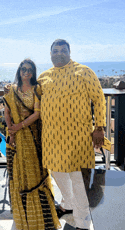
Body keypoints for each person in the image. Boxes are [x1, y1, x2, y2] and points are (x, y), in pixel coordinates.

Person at [37, 39, 106, 230]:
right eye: (55, 50)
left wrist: (99, 127)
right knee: (57, 175)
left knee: (79, 181)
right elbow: (31, 99)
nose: (59, 53)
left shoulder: (84, 72)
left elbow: (99, 98)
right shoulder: (43, 77)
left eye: (63, 50)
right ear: (50, 54)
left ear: (69, 52)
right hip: (52, 140)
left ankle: (83, 222)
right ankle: (67, 204)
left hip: (79, 139)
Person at [3, 58, 61, 230]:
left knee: (35, 172)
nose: (26, 72)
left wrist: (18, 127)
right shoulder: (11, 90)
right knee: (17, 173)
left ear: (33, 73)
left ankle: (39, 214)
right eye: (23, 69)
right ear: (19, 71)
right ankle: (21, 213)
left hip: (32, 136)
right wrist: (11, 130)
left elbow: (37, 113)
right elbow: (6, 111)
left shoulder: (37, 89)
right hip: (14, 137)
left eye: (29, 70)